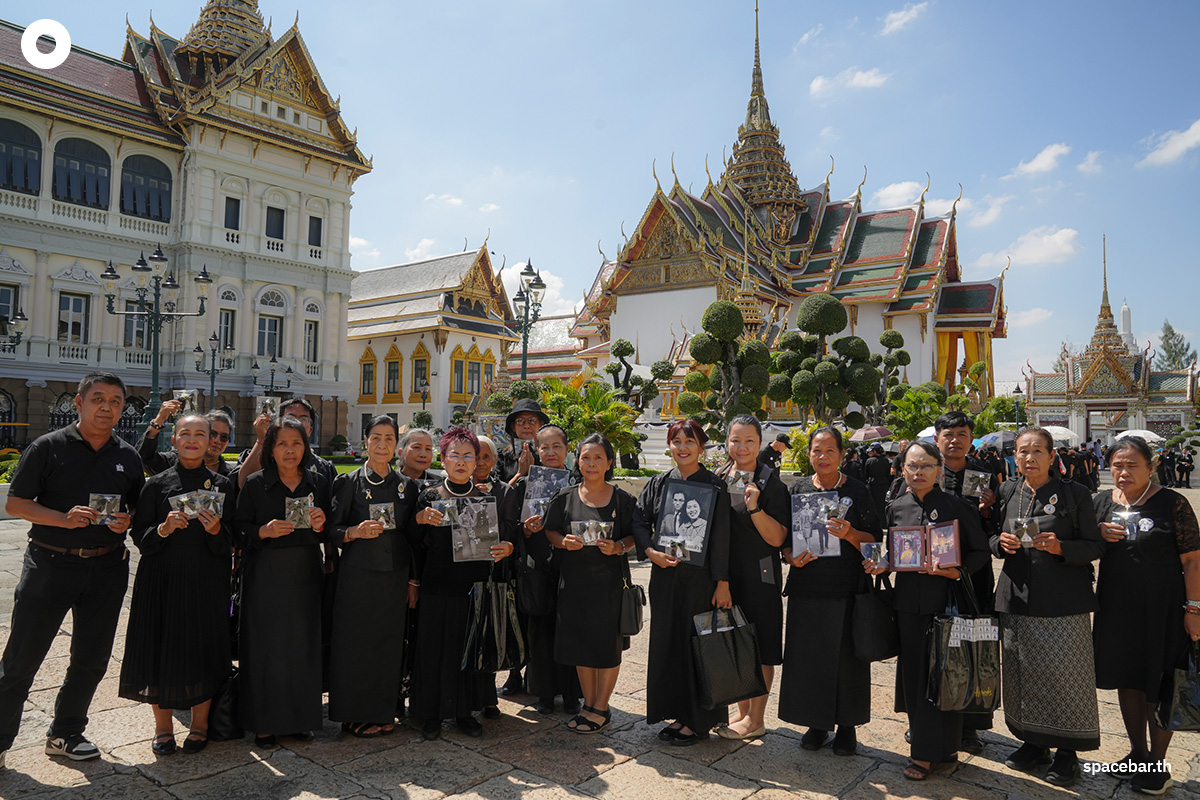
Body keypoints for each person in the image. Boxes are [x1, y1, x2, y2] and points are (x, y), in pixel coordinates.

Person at [0, 373, 143, 766]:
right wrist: (63, 519)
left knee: (92, 658)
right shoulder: (47, 447)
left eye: (116, 401)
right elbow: (16, 504)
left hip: (107, 567)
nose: (107, 407)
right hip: (50, 563)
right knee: (21, 660)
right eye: (99, 398)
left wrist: (125, 520)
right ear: (79, 403)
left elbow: (133, 509)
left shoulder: (127, 455)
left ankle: (65, 733)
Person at [864, 441, 988, 781]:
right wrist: (880, 566)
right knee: (916, 679)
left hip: (945, 603)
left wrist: (956, 570)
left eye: (926, 467)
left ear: (938, 470)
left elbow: (980, 552)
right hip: (907, 606)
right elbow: (894, 552)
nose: (918, 473)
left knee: (946, 677)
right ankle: (924, 750)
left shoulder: (957, 506)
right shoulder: (896, 506)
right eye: (912, 466)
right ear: (902, 469)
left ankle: (940, 750)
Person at [992, 427, 1103, 787]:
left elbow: (1093, 546)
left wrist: (1061, 548)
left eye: (1037, 451)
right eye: (1022, 451)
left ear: (1052, 456)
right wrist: (1000, 543)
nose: (1029, 458)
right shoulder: (1009, 490)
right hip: (1017, 596)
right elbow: (990, 534)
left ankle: (1067, 753)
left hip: (1062, 601)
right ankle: (1033, 742)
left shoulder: (1075, 494)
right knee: (1022, 672)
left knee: (1064, 676)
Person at [119, 413, 233, 755]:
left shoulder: (222, 485)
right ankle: (163, 728)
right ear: (174, 440)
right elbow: (139, 534)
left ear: (210, 440)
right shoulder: (155, 485)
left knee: (204, 648)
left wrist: (215, 530)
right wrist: (163, 530)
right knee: (161, 647)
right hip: (163, 579)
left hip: (206, 580)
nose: (193, 440)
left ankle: (199, 727)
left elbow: (233, 538)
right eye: (186, 434)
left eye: (201, 434)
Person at [1092, 437, 1200, 795]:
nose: (1123, 472)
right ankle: (1137, 753)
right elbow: (1082, 541)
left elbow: (1193, 560)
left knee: (1160, 678)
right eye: (1117, 465)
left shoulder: (1173, 503)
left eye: (1132, 465)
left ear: (1151, 467)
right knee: (1128, 678)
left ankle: (1157, 760)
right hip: (1116, 605)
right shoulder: (1103, 502)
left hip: (1164, 607)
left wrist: (1194, 609)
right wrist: (1097, 533)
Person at [410, 428, 515, 740]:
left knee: (467, 651)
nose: (461, 461)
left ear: (476, 462)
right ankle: (430, 713)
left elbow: (497, 545)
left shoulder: (485, 500)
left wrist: (506, 548)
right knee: (434, 651)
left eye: (468, 456)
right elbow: (413, 543)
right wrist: (418, 522)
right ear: (443, 460)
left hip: (473, 589)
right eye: (453, 455)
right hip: (436, 586)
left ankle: (464, 712)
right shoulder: (429, 496)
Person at [780, 425, 879, 755]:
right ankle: (817, 722)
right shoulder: (799, 488)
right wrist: (789, 556)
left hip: (847, 586)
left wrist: (850, 534)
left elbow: (874, 540)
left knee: (847, 658)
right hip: (808, 585)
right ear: (808, 454)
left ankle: (847, 726)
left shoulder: (858, 491)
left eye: (830, 451)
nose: (822, 457)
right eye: (816, 451)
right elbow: (786, 541)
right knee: (810, 657)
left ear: (842, 455)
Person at [234, 417, 331, 748]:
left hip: (306, 572)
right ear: (270, 449)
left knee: (301, 646)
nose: (290, 450)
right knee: (266, 647)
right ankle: (264, 723)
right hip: (266, 574)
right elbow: (237, 529)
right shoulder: (256, 484)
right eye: (282, 444)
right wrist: (263, 530)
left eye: (297, 443)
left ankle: (299, 720)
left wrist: (321, 523)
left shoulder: (317, 482)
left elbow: (329, 530)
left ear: (306, 447)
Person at [635, 420, 731, 745]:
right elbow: (638, 519)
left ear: (701, 447)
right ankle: (676, 713)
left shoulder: (715, 486)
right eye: (676, 441)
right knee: (668, 643)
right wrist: (650, 551)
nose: (683, 447)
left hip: (700, 580)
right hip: (664, 575)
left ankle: (698, 719)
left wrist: (722, 582)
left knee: (696, 644)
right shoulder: (659, 483)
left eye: (689, 441)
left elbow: (721, 539)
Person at [543, 433, 647, 733]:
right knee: (580, 645)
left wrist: (618, 547)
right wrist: (563, 541)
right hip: (573, 584)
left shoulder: (623, 500)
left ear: (609, 463)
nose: (591, 463)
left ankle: (602, 706)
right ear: (578, 461)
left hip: (609, 585)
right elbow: (549, 530)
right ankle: (588, 703)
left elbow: (633, 537)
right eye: (586, 457)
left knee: (606, 647)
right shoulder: (564, 497)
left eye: (598, 457)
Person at [328, 416, 421, 738]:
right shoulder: (349, 482)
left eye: (389, 439)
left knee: (388, 646)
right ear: (365, 440)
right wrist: (353, 531)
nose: (383, 445)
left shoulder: (407, 486)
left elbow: (412, 537)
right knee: (356, 646)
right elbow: (331, 530)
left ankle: (384, 713)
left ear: (397, 445)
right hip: (358, 577)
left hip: (394, 577)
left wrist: (412, 581)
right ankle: (353, 714)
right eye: (376, 438)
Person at [716, 416, 789, 741]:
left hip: (760, 574)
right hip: (727, 574)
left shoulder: (771, 483)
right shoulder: (720, 477)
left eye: (748, 441)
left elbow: (777, 539)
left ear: (760, 443)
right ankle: (743, 710)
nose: (741, 447)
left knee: (760, 645)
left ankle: (756, 718)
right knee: (736, 642)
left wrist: (756, 507)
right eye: (735, 440)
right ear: (727, 442)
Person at [930, 411, 998, 753]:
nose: (954, 439)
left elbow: (997, 526)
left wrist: (989, 510)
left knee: (973, 642)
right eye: (948, 434)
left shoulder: (985, 474)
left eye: (961, 433)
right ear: (937, 438)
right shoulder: (925, 467)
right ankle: (927, 719)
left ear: (971, 437)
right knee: (932, 644)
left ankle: (971, 724)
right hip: (931, 571)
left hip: (974, 570)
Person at [513, 424, 581, 714]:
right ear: (536, 450)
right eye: (545, 447)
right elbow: (513, 525)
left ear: (567, 449)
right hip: (540, 565)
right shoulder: (528, 484)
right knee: (540, 631)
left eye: (557, 446)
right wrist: (526, 533)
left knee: (571, 630)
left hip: (572, 565)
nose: (551, 452)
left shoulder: (581, 481)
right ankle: (543, 693)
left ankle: (570, 694)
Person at [139, 402, 235, 480]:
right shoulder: (173, 462)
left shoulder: (231, 475)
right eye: (213, 434)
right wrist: (159, 420)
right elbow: (143, 459)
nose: (217, 440)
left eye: (223, 437)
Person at [496, 398, 549, 486]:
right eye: (520, 421)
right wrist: (520, 474)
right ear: (513, 426)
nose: (526, 426)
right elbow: (499, 495)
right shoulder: (502, 457)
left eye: (532, 421)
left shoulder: (546, 456)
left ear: (541, 424)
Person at [863, 443, 892, 520]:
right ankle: (883, 521)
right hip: (883, 485)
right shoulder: (886, 461)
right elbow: (888, 474)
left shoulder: (869, 461)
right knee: (883, 504)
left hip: (872, 484)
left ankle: (873, 520)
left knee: (873, 504)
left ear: (875, 451)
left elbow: (866, 474)